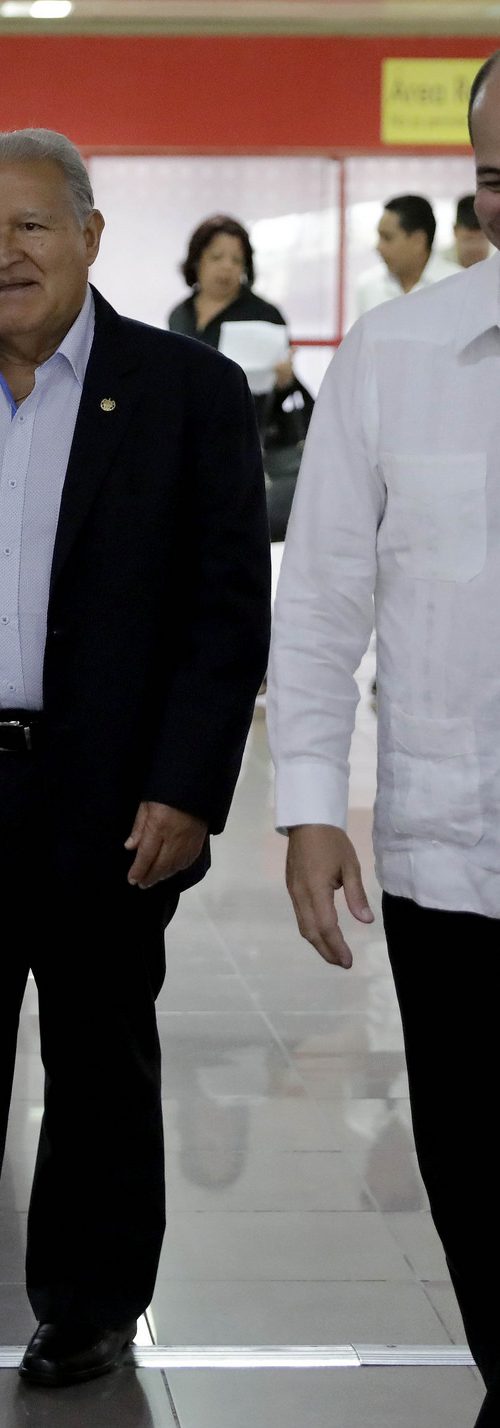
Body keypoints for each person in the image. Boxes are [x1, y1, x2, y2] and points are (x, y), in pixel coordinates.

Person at [0, 129, 270, 1388]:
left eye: (30, 225)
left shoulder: (184, 392)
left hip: (109, 791)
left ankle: (91, 1303)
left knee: (98, 1053)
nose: (7, 254)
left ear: (91, 237)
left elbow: (226, 610)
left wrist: (188, 786)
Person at [267, 51, 500, 1428]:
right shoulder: (398, 357)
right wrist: (309, 804)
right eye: (495, 177)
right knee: (472, 1161)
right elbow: (321, 601)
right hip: (453, 861)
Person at [167, 214, 314, 537]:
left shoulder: (264, 314)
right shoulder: (180, 314)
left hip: (243, 444)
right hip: (186, 444)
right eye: (217, 257)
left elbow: (282, 397)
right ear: (197, 261)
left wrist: (284, 379)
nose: (227, 267)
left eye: (236, 260)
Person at [356, 193, 460, 317]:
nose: (378, 247)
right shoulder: (368, 286)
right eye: (379, 237)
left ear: (418, 240)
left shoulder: (459, 284)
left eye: (387, 238)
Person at [443, 192, 491, 267]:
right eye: (469, 239)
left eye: (481, 239)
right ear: (455, 231)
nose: (475, 247)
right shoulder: (436, 264)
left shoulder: (497, 262)